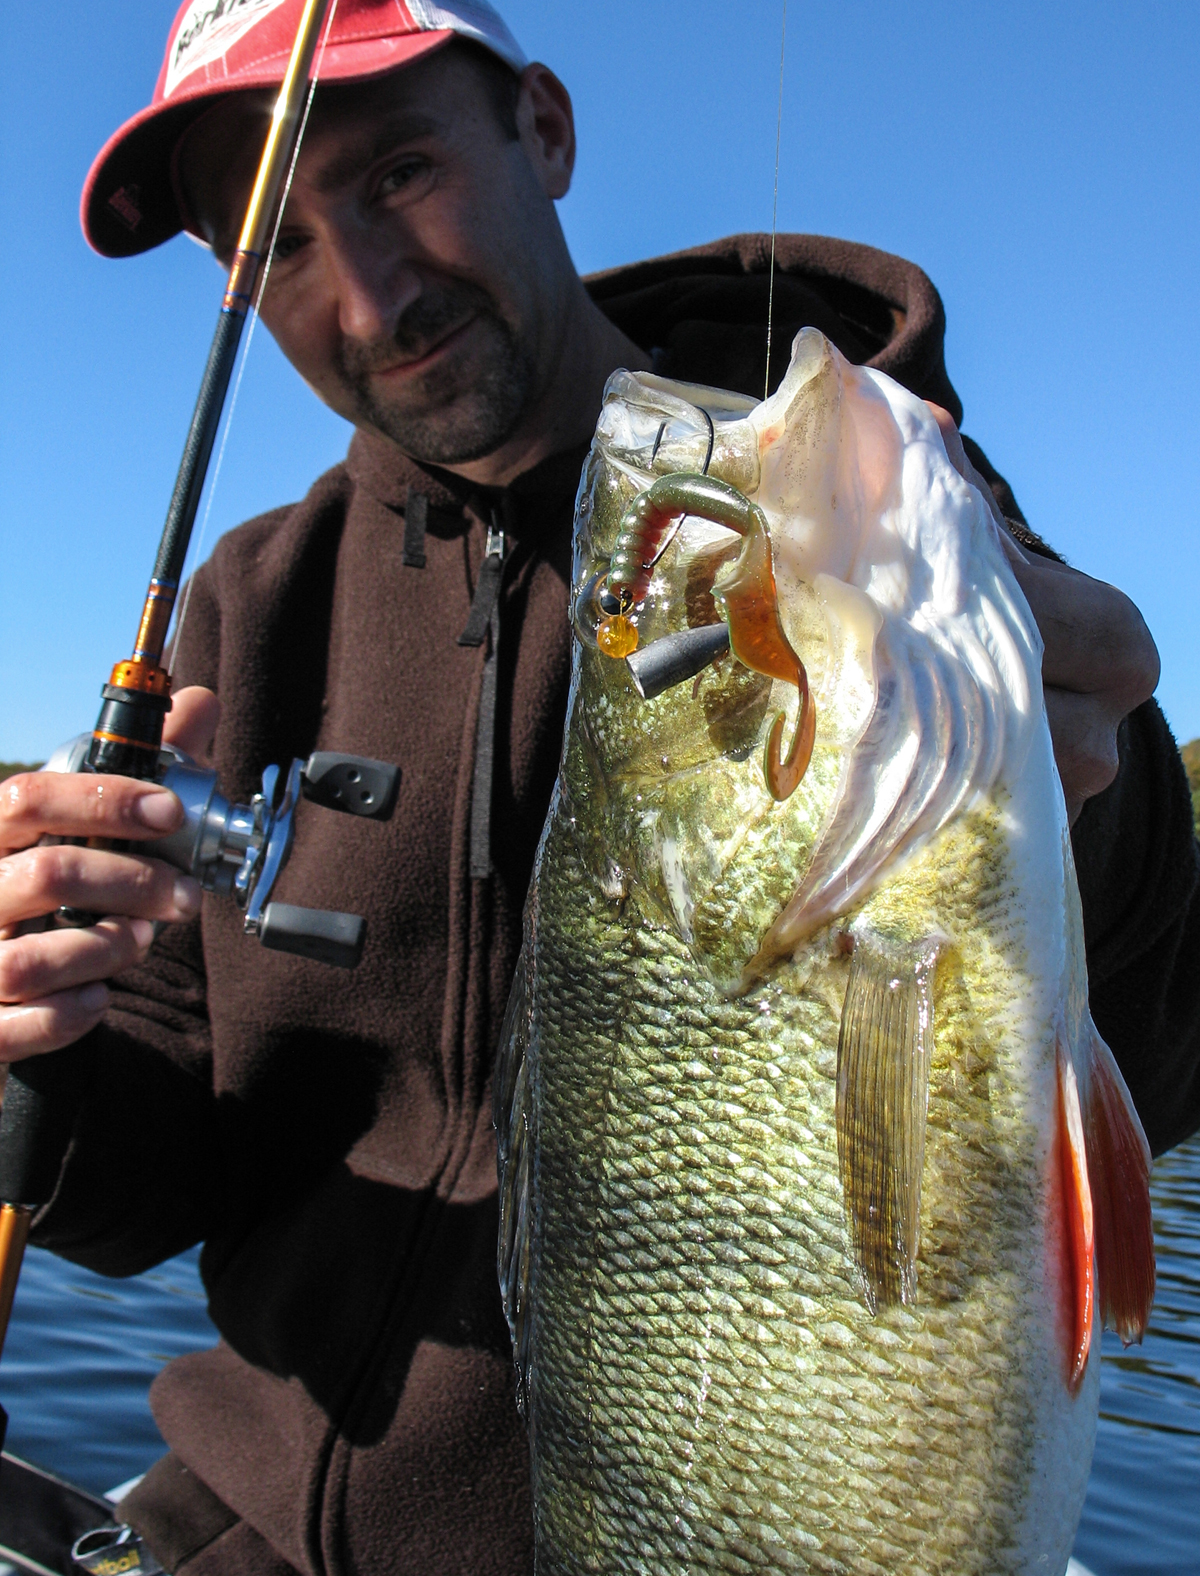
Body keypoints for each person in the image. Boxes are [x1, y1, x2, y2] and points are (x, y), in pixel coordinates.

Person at [1, 2, 1196, 1572]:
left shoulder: (823, 535)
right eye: (278, 245)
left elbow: (1160, 1059)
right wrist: (40, 1036)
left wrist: (1075, 808)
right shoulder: (249, 608)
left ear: (545, 133)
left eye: (401, 170)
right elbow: (142, 1189)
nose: (369, 291)